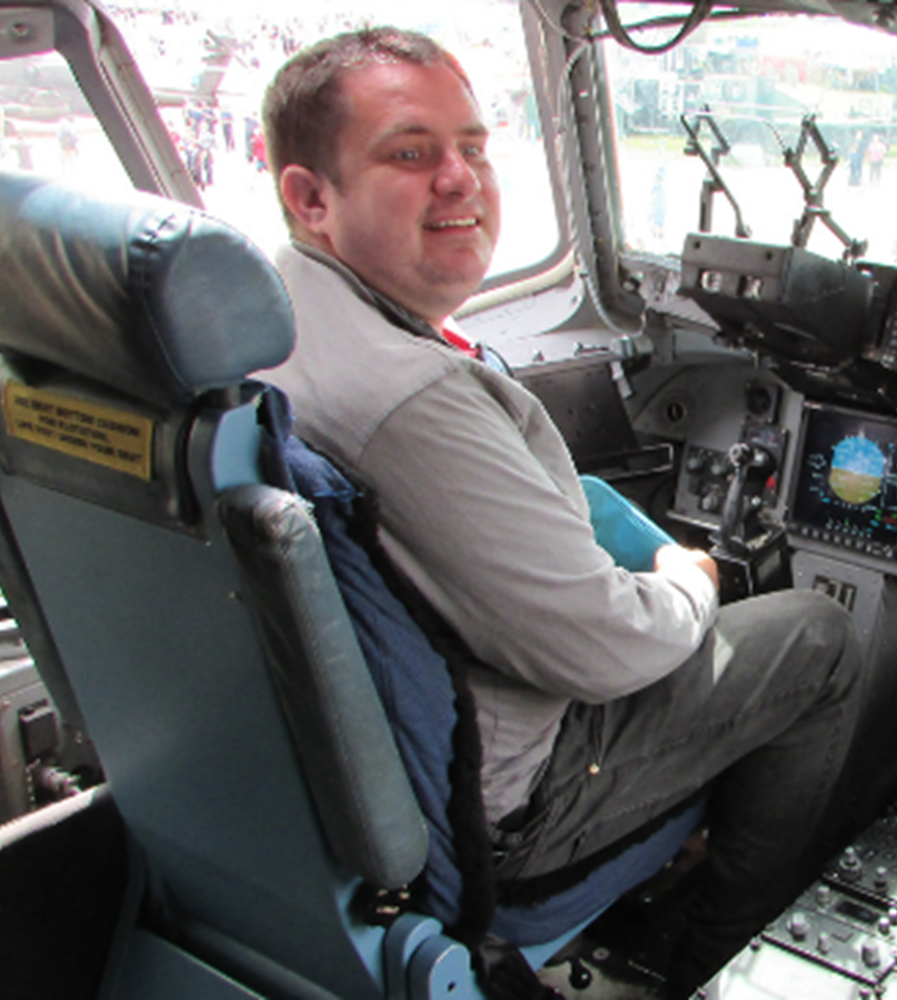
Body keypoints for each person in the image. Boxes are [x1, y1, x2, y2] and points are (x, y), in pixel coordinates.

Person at [259, 28, 863, 997]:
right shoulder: (409, 398)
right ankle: (711, 959)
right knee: (818, 640)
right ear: (309, 196)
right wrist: (690, 584)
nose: (460, 179)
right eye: (409, 153)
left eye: (474, 146)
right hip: (515, 807)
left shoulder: (272, 325)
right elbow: (604, 650)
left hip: (338, 783)